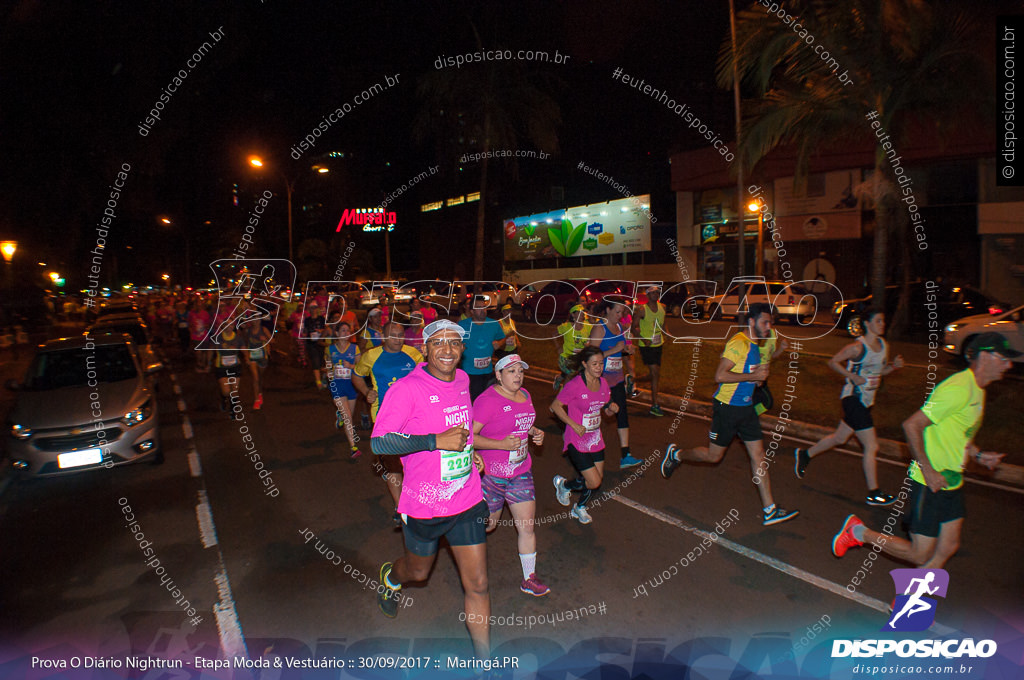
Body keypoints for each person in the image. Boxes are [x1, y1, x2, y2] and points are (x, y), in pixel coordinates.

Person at [831, 332, 1013, 566]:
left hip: (952, 480)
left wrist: (978, 454)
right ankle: (858, 533)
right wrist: (927, 470)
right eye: (1003, 358)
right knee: (920, 553)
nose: (1008, 365)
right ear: (985, 357)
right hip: (931, 480)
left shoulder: (978, 390)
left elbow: (960, 435)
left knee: (948, 546)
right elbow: (912, 425)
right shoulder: (957, 389)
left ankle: (909, 600)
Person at [373, 320, 492, 660]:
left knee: (479, 584)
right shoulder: (407, 389)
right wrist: (433, 442)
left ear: (462, 349)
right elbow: (380, 443)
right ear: (424, 349)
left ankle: (484, 662)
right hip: (424, 505)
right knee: (418, 572)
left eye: (454, 343)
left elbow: (462, 427)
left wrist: (472, 455)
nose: (447, 350)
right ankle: (392, 577)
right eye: (438, 342)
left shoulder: (464, 379)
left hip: (466, 498)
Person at [660, 303, 799, 526]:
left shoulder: (756, 345)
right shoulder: (738, 343)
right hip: (727, 408)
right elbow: (720, 375)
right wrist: (750, 378)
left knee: (759, 455)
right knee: (713, 456)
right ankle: (676, 455)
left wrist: (759, 377)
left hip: (746, 409)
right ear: (752, 322)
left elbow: (754, 377)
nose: (769, 326)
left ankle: (770, 509)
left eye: (770, 322)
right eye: (765, 322)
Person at [793, 309, 904, 505]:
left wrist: (894, 367)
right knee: (872, 445)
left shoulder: (883, 346)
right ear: (867, 325)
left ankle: (805, 455)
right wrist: (852, 376)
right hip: (853, 399)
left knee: (840, 437)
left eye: (883, 321)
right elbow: (833, 362)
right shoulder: (857, 348)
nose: (882, 324)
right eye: (878, 321)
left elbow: (880, 372)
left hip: (867, 401)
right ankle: (874, 493)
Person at [472, 353, 549, 596]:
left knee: (526, 526)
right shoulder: (487, 401)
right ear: (498, 375)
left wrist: (535, 433)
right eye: (511, 371)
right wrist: (500, 445)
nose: (518, 376)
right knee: (488, 525)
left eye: (520, 371)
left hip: (520, 471)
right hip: (491, 475)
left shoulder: (525, 395)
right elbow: (468, 438)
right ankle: (460, 539)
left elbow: (522, 425)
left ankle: (529, 578)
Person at [353, 322, 425, 516]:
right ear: (383, 337)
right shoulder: (371, 356)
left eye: (400, 335)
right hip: (385, 419)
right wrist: (366, 391)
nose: (397, 339)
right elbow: (357, 375)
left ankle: (417, 503)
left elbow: (425, 379)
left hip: (413, 418)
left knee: (416, 464)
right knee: (393, 466)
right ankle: (401, 508)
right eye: (393, 335)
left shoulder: (413, 354)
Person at [551, 346, 619, 524]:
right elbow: (555, 406)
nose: (599, 367)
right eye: (594, 364)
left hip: (595, 438)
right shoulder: (574, 385)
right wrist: (573, 424)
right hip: (576, 438)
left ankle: (579, 507)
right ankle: (563, 485)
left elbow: (605, 410)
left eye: (601, 363)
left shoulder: (603, 383)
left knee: (596, 479)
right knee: (594, 481)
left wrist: (611, 409)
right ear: (584, 364)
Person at [588, 298, 642, 469]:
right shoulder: (599, 328)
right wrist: (615, 350)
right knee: (595, 416)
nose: (620, 315)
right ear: (608, 310)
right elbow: (591, 357)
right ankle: (584, 449)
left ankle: (626, 454)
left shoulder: (619, 327)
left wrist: (627, 350)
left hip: (617, 378)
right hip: (600, 380)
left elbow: (621, 349)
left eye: (622, 312)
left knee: (622, 413)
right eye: (617, 312)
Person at [458, 301, 506, 401]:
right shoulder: (463, 325)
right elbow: (453, 343)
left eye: (484, 307)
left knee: (487, 401)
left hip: (487, 371)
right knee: (473, 401)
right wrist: (458, 347)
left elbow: (503, 340)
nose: (483, 310)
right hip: (469, 371)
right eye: (479, 308)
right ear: (472, 311)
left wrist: (500, 343)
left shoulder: (494, 324)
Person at [325, 320, 360, 457]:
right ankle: (353, 447)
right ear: (337, 333)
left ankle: (339, 414)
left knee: (348, 416)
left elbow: (360, 368)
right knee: (348, 418)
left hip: (351, 386)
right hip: (337, 386)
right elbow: (327, 364)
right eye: (343, 330)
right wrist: (329, 371)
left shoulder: (354, 349)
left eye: (348, 330)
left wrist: (350, 366)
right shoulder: (330, 349)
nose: (346, 333)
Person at [632, 285, 667, 417]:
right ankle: (655, 405)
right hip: (646, 346)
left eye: (657, 292)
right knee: (655, 373)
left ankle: (633, 380)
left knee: (655, 374)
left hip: (659, 344)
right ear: (647, 295)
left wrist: (666, 333)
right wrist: (643, 338)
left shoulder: (663, 307)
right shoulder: (642, 310)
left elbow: (664, 324)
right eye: (652, 293)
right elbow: (633, 328)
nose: (655, 295)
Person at [553, 304, 591, 394]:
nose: (582, 315)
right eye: (579, 313)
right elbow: (554, 334)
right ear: (573, 315)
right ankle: (562, 398)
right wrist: (558, 347)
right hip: (566, 357)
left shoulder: (588, 326)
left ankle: (559, 378)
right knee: (571, 375)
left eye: (583, 313)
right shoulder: (567, 327)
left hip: (580, 358)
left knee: (579, 376)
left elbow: (592, 338)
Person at [244, 306, 274, 410]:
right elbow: (245, 345)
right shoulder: (248, 331)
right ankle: (256, 400)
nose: (256, 321)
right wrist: (247, 357)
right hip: (252, 357)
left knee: (260, 378)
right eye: (254, 319)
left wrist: (265, 339)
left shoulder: (264, 329)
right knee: (255, 378)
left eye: (258, 318)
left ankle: (259, 392)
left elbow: (272, 341)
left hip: (262, 357)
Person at [303, 302, 328, 389]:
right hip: (311, 343)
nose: (313, 310)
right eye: (312, 308)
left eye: (315, 308)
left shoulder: (321, 319)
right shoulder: (307, 320)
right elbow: (305, 331)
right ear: (309, 310)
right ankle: (318, 382)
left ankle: (324, 378)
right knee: (315, 361)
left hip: (321, 342)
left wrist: (321, 331)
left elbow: (326, 329)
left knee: (323, 362)